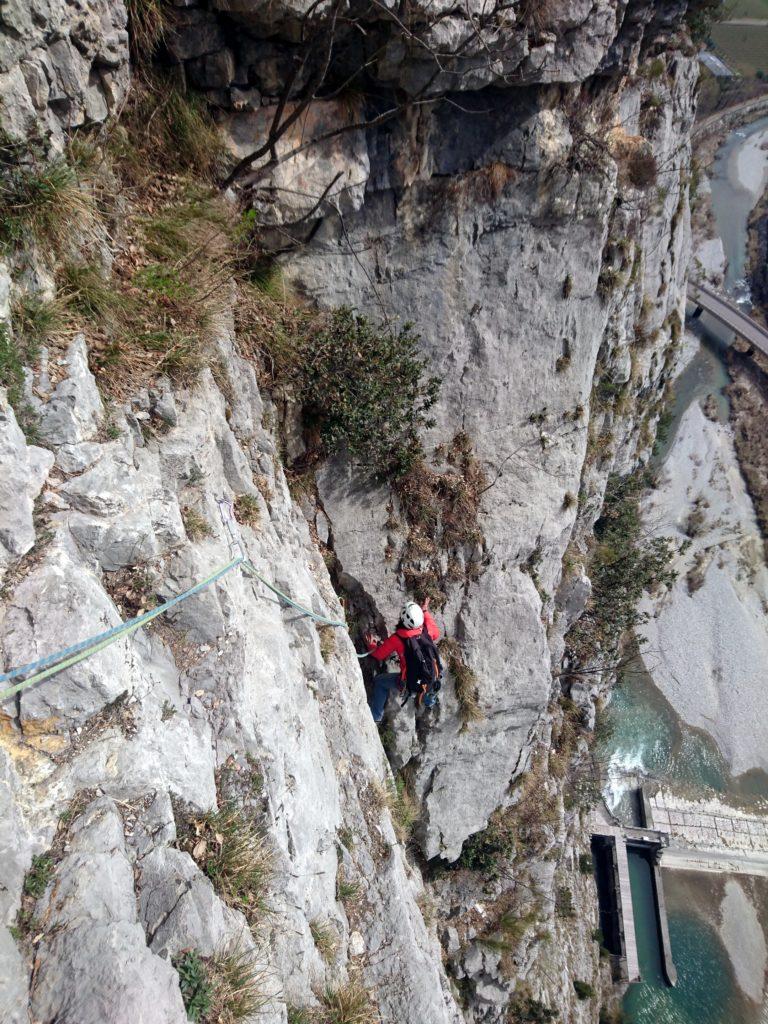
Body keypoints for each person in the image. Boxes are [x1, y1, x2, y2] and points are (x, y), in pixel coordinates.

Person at [364, 597, 441, 724]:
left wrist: (371, 645)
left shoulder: (398, 638)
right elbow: (436, 633)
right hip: (431, 676)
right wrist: (425, 611)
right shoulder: (427, 631)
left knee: (379, 681)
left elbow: (378, 654)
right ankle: (429, 701)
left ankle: (375, 716)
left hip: (409, 682)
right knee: (429, 682)